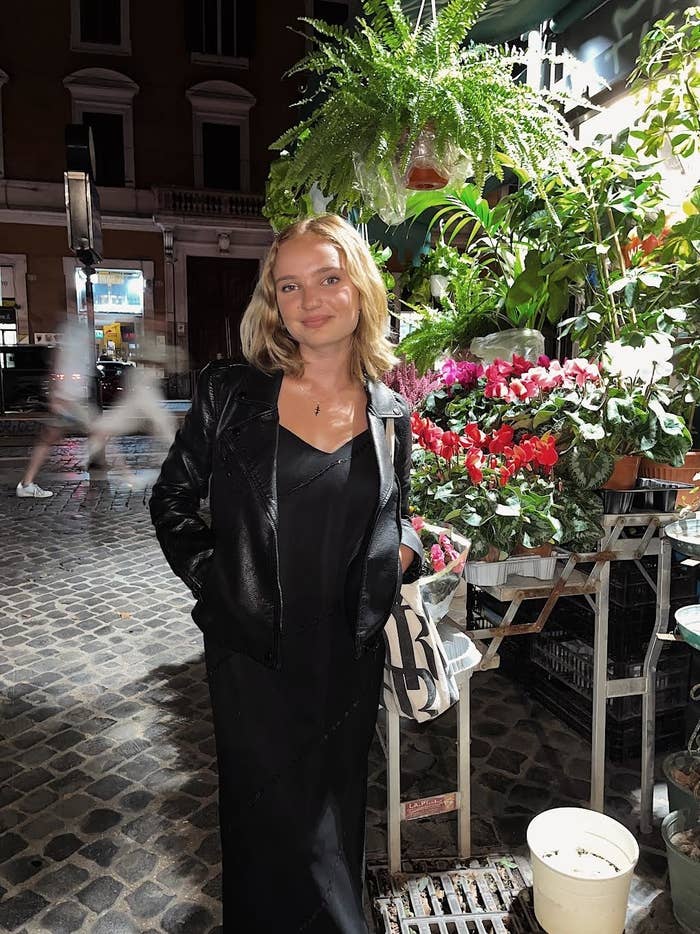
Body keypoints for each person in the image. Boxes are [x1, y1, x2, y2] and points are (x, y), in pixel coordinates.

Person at [149, 214, 422, 933]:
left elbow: (398, 515)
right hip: (251, 658)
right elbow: (172, 499)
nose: (310, 301)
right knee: (265, 827)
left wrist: (405, 554)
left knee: (332, 820)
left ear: (359, 287)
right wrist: (221, 584)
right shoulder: (231, 394)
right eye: (290, 286)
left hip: (345, 658)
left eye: (328, 279)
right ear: (274, 301)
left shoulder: (392, 414)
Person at [16, 321, 97, 498]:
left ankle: (26, 483)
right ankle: (129, 477)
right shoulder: (74, 331)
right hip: (67, 399)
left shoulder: (81, 332)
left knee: (47, 439)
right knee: (99, 429)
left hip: (70, 398)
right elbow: (58, 360)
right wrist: (56, 394)